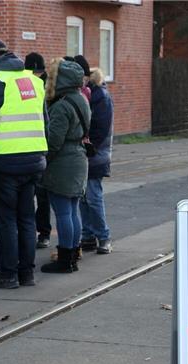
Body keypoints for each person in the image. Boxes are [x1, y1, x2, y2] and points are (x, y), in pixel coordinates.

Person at [0, 39, 47, 289]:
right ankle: (27, 273)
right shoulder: (34, 82)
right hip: (33, 162)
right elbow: (44, 121)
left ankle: (7, 274)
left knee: (6, 222)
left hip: (3, 164)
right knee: (27, 218)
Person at [39, 59, 90, 274]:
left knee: (62, 212)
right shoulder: (81, 99)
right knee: (72, 211)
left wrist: (42, 161)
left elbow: (54, 141)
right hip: (78, 158)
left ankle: (64, 259)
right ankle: (73, 254)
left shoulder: (62, 105)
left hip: (63, 163)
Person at [80, 66, 114, 255]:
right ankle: (88, 235)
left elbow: (100, 128)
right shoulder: (94, 95)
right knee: (83, 198)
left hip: (95, 155)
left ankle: (103, 236)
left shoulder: (100, 97)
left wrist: (87, 146)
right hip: (90, 153)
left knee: (92, 197)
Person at [24, 52, 51, 249]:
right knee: (29, 195)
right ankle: (30, 231)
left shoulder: (47, 87)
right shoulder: (25, 85)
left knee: (41, 195)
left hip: (39, 149)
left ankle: (43, 232)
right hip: (30, 148)